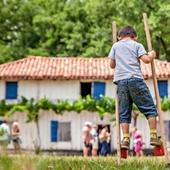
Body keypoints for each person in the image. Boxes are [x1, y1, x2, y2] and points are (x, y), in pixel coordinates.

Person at [108, 25, 162, 149]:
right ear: (135, 37)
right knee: (149, 109)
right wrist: (152, 55)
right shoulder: (137, 45)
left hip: (121, 83)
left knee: (124, 112)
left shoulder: (115, 46)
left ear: (118, 37)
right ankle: (154, 135)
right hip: (135, 80)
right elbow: (146, 60)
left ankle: (125, 139)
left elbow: (111, 65)